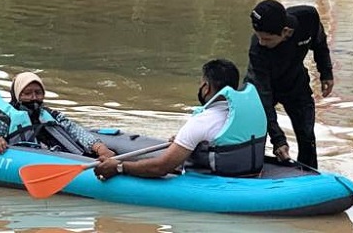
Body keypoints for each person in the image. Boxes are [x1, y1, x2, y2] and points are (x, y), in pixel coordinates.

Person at [93, 59, 267, 181]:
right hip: (250, 172)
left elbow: (161, 168)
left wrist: (119, 167)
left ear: (206, 88)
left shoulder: (202, 121)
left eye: (201, 83)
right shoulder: (252, 111)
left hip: (217, 181)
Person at [245, 0, 334, 169]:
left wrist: (326, 72)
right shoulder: (257, 49)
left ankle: (310, 175)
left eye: (267, 39)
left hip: (295, 83)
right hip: (262, 86)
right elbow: (263, 96)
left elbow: (320, 43)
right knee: (254, 131)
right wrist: (278, 139)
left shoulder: (308, 18)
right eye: (258, 36)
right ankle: (252, 170)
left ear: (286, 31)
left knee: (307, 136)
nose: (261, 42)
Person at [0, 72, 116, 158]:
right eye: (27, 93)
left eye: (38, 93)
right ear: (17, 96)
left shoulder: (51, 115)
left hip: (68, 157)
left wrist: (100, 147)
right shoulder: (6, 121)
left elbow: (76, 131)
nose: (34, 98)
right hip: (37, 159)